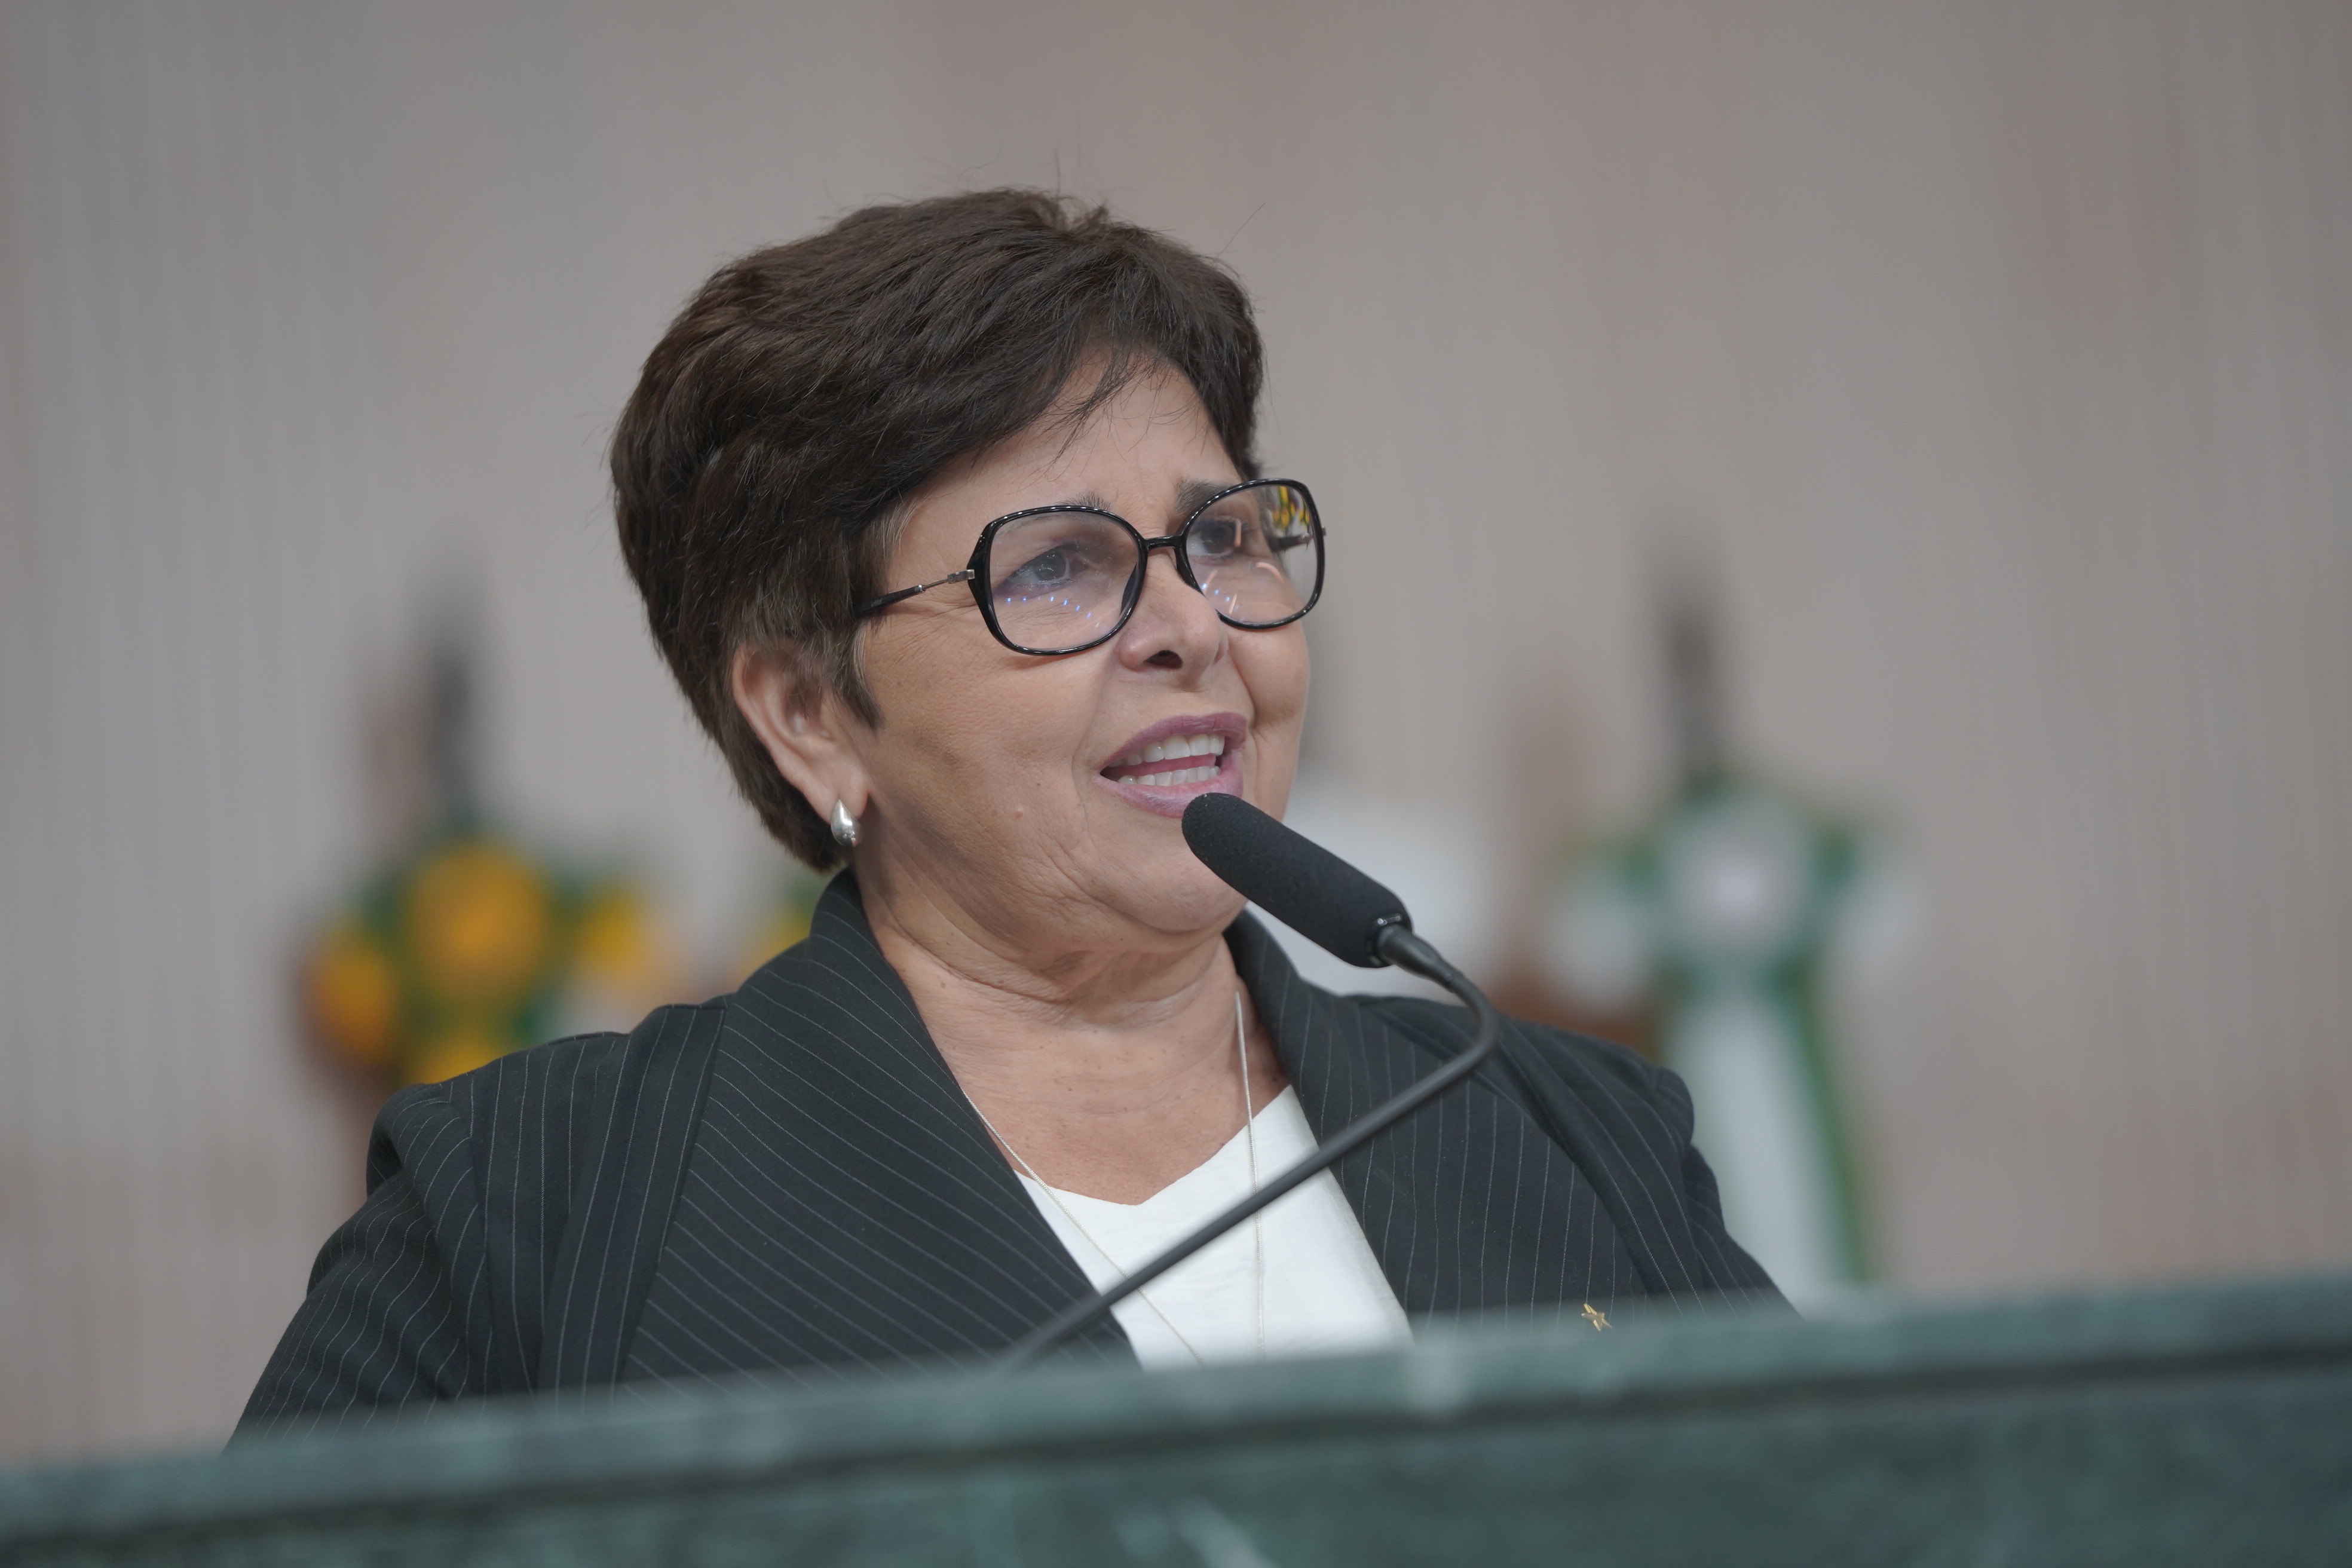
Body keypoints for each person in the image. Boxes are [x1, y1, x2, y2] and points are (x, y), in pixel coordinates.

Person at [240, 189, 1776, 1436]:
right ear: (809, 712)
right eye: (1055, 567)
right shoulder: (532, 1205)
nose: (1195, 626)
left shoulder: (1571, 1132)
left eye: (1223, 538)